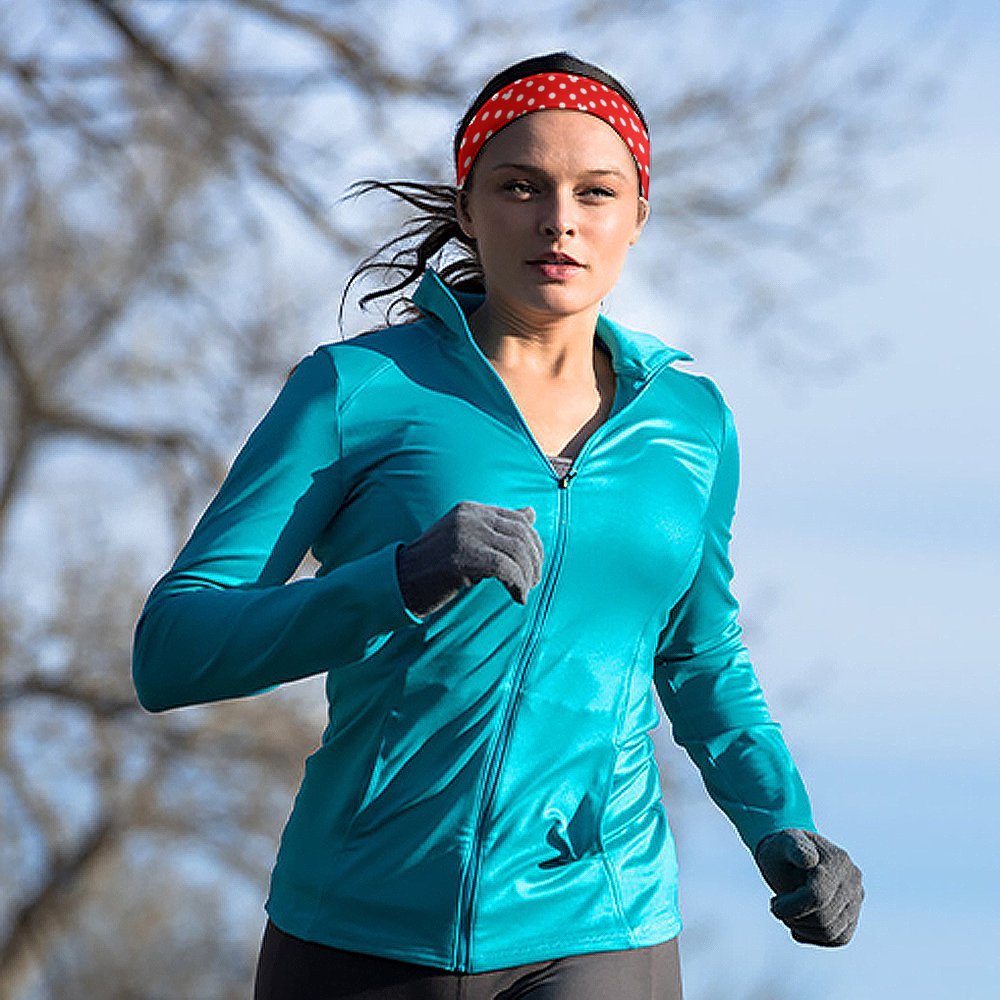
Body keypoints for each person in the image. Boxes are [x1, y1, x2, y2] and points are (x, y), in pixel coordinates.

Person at [131, 50, 863, 1000]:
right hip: (358, 924)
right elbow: (173, 648)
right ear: (469, 206)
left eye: (595, 191)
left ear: (637, 215)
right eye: (521, 186)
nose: (559, 219)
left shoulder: (692, 423)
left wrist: (783, 824)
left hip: (600, 919)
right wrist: (399, 576)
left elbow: (699, 656)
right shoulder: (357, 391)